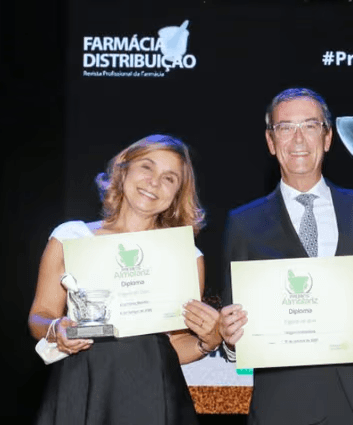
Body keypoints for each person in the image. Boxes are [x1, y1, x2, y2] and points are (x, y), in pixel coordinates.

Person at [218, 88, 353, 425]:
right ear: (271, 142)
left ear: (327, 138)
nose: (298, 139)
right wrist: (229, 339)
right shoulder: (244, 223)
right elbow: (233, 317)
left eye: (310, 126)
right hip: (284, 409)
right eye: (285, 127)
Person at [29, 134, 221, 424]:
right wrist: (57, 330)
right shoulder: (71, 237)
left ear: (177, 194)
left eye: (169, 178)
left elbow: (173, 346)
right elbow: (39, 315)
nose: (154, 182)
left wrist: (207, 342)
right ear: (123, 170)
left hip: (153, 394)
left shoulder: (186, 256)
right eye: (146, 167)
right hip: (83, 384)